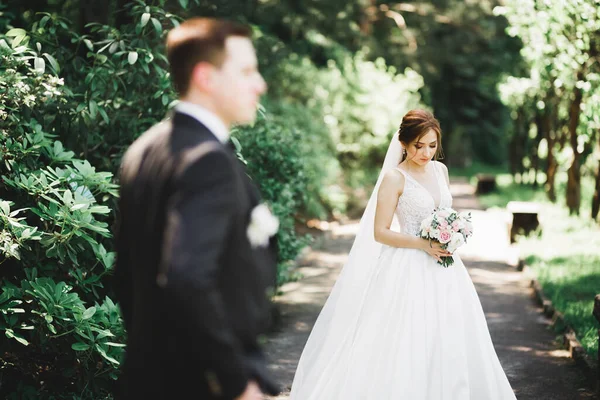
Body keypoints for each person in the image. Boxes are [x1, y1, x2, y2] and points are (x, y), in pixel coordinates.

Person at [289, 109, 516, 399]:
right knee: (405, 338)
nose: (426, 152)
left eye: (432, 145)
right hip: (406, 267)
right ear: (404, 143)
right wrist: (422, 243)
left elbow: (444, 212)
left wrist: (452, 232)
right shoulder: (395, 179)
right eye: (419, 145)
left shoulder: (441, 171)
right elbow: (380, 232)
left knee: (449, 334)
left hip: (446, 268)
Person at [113, 18, 280, 400]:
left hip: (149, 377)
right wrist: (235, 382)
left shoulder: (143, 149)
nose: (260, 84)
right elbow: (186, 277)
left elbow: (127, 276)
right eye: (247, 71)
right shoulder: (208, 160)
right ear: (206, 77)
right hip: (201, 383)